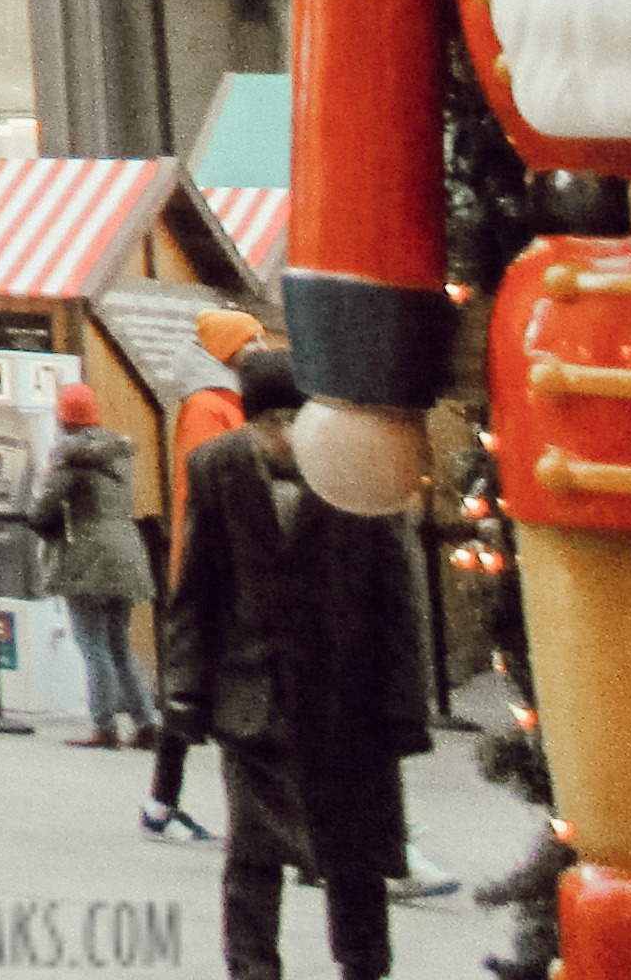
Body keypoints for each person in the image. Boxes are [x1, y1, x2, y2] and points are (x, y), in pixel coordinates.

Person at [159, 347, 433, 980]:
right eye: (267, 423)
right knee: (252, 855)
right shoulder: (216, 467)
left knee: (354, 854)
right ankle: (252, 969)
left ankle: (364, 966)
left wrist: (403, 707)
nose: (281, 435)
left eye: (293, 419)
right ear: (248, 421)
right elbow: (197, 590)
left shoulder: (359, 464)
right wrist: (186, 693)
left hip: (348, 702)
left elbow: (399, 596)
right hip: (254, 699)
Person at [142, 307, 265, 841]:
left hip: (217, 561)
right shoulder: (207, 407)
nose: (259, 346)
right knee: (194, 685)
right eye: (251, 339)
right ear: (228, 350)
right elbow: (204, 490)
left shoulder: (228, 403)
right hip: (209, 565)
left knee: (199, 684)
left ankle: (162, 802)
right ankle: (161, 801)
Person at [30, 382, 158, 750]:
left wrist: (36, 513)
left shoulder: (71, 455)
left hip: (87, 556)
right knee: (119, 643)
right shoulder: (117, 451)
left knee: (93, 644)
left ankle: (104, 726)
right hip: (126, 550)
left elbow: (47, 505)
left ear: (64, 418)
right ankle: (146, 721)